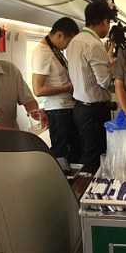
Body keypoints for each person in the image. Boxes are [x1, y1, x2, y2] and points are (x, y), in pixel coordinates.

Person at [66, 0, 114, 173]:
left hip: (79, 107)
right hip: (94, 111)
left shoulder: (74, 41)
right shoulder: (94, 44)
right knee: (97, 157)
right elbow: (105, 82)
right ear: (104, 21)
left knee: (88, 153)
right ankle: (92, 196)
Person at [31, 17, 80, 162]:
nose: (68, 46)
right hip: (58, 111)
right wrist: (67, 87)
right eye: (69, 41)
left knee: (74, 149)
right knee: (61, 151)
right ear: (60, 35)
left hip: (66, 107)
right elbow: (38, 89)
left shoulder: (55, 50)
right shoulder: (42, 53)